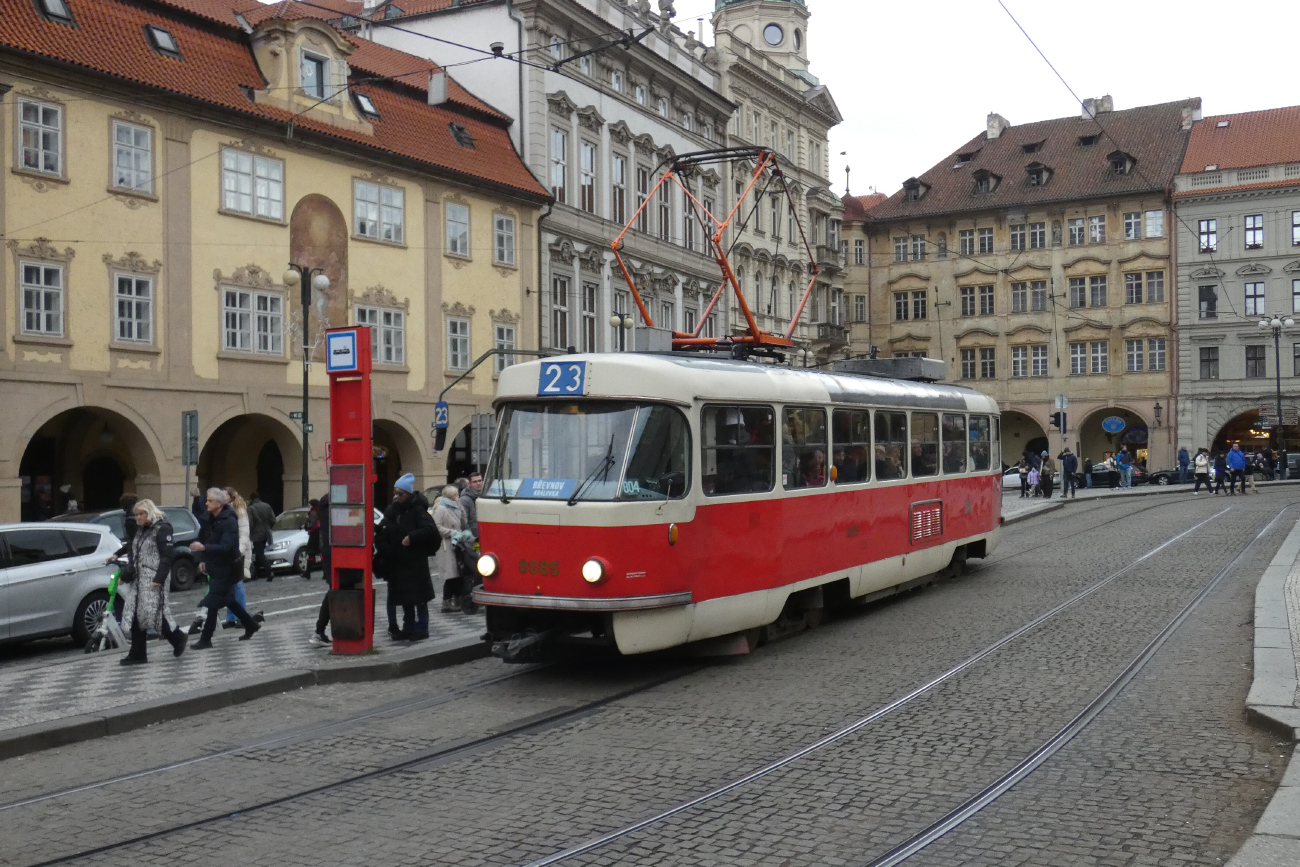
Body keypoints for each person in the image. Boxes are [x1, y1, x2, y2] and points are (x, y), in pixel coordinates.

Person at [118, 499, 187, 664]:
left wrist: (159, 579)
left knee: (153, 613)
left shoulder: (162, 528)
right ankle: (138, 653)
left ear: (149, 512)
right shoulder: (142, 530)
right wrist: (126, 574)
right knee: (136, 614)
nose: (138, 518)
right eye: (136, 515)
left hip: (154, 578)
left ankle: (177, 637)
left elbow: (167, 556)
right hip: (140, 578)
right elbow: (134, 551)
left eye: (141, 514)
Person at [190, 488, 259, 648]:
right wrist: (202, 558)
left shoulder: (229, 520)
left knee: (212, 602)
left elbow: (226, 546)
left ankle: (206, 638)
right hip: (214, 565)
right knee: (229, 600)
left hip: (227, 566)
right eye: (207, 500)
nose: (207, 503)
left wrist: (204, 548)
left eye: (210, 501)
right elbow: (203, 538)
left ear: (219, 504)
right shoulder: (209, 519)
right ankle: (250, 624)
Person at [375, 473, 438, 641]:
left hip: (415, 562)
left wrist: (411, 537)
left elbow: (430, 530)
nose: (397, 496)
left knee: (419, 598)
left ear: (408, 493)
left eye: (401, 493)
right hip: (398, 562)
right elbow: (382, 532)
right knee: (405, 599)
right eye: (396, 493)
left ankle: (422, 627)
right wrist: (386, 549)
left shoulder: (418, 510)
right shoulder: (393, 511)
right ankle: (408, 627)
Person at [432, 485, 465, 612]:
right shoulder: (442, 509)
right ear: (450, 496)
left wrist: (460, 508)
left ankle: (457, 599)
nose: (457, 497)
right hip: (447, 544)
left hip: (457, 544)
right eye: (455, 495)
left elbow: (463, 522)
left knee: (458, 573)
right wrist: (451, 532)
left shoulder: (456, 508)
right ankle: (447, 601)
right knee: (451, 574)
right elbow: (436, 526)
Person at [309, 493, 335, 646]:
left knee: (333, 590)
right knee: (334, 591)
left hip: (329, 552)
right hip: (335, 553)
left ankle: (320, 631)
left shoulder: (324, 506)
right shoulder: (333, 505)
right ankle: (319, 631)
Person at [247, 492, 276, 582]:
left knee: (259, 554)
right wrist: (268, 527)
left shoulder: (251, 508)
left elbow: (250, 523)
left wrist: (249, 533)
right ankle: (256, 573)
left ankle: (269, 571)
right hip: (266, 533)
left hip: (256, 534)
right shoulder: (267, 506)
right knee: (260, 553)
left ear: (251, 499)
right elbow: (273, 519)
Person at [301, 499, 321, 579]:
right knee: (321, 553)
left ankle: (308, 572)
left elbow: (311, 523)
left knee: (311, 553)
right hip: (320, 534)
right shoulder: (321, 511)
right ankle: (325, 573)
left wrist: (305, 526)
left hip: (314, 535)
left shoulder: (313, 512)